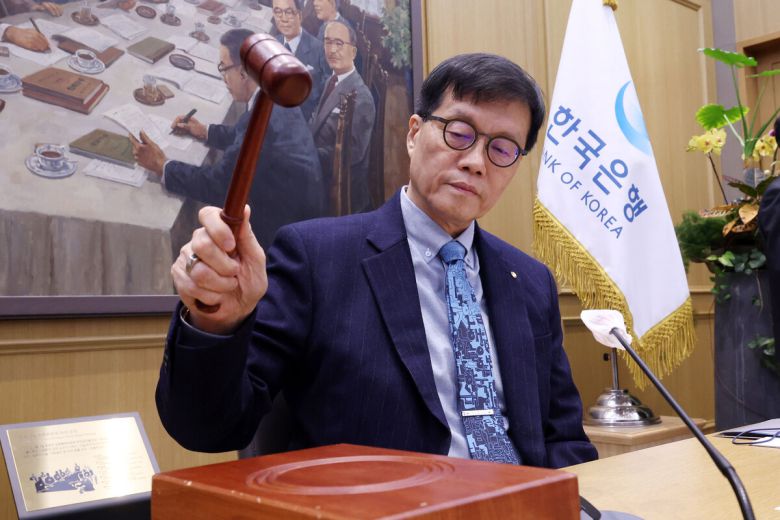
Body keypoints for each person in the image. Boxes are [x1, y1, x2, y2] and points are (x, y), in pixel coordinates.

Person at [156, 52, 597, 469]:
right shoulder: (317, 257)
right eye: (459, 133)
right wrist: (215, 322)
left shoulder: (530, 282)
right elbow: (210, 426)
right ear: (413, 134)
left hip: (524, 504)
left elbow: (564, 440)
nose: (476, 162)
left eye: (502, 149)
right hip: (386, 505)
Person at [131, 28, 324, 248]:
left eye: (224, 68)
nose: (223, 78)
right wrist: (205, 131)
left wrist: (162, 165)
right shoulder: (270, 95)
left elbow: (219, 184)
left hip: (281, 232)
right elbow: (246, 137)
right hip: (296, 210)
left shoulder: (265, 118)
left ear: (243, 72)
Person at [310, 19, 375, 213]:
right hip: (319, 164)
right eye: (328, 42)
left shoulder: (361, 97)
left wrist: (310, 156)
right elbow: (317, 119)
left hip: (339, 184)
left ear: (353, 52)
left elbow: (352, 153)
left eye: (339, 43)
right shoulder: (333, 79)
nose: (332, 50)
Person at [272, 0, 330, 121]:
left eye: (289, 12)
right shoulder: (272, 44)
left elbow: (327, 92)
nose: (283, 19)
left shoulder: (320, 50)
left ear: (300, 16)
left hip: (303, 120)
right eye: (278, 12)